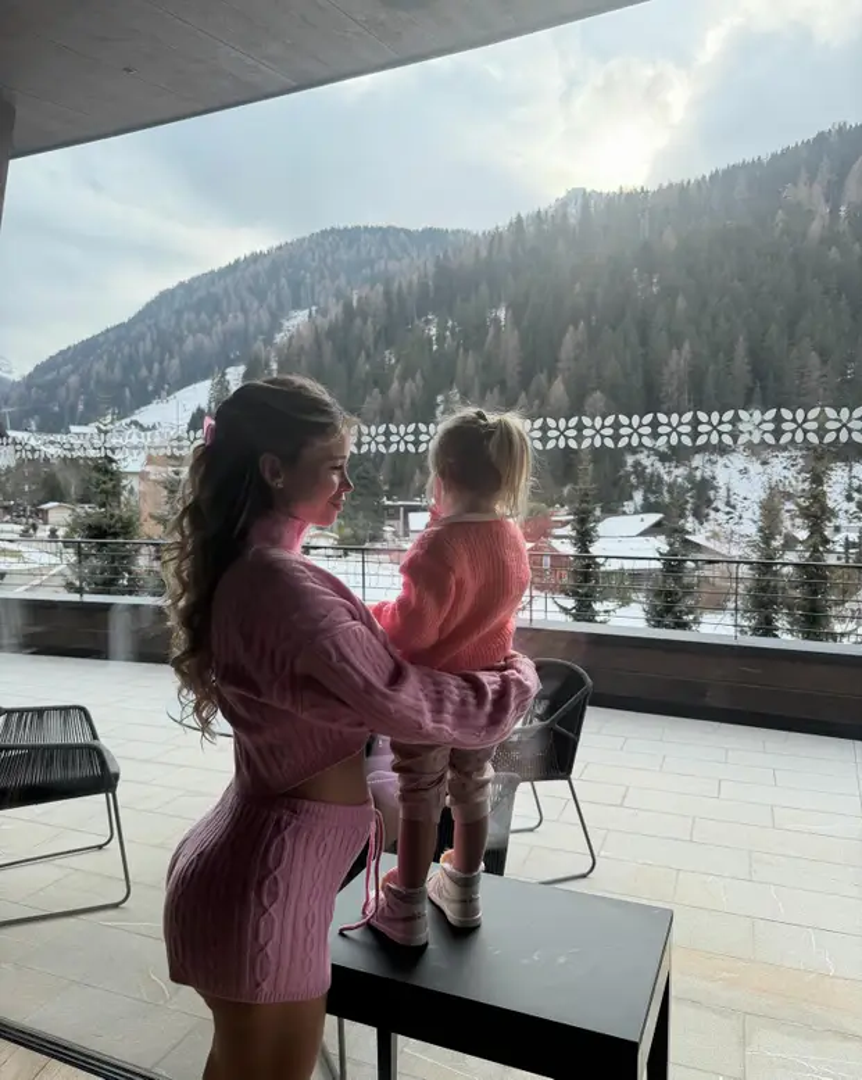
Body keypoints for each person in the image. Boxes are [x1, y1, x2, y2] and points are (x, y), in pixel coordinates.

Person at [160, 376, 538, 1080]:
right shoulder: (280, 586)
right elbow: (403, 700)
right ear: (274, 470)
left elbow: (349, 683)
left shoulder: (264, 569)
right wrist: (516, 681)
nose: (348, 484)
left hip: (268, 878)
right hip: (265, 892)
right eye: (334, 466)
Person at [344, 408, 532, 948]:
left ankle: (406, 903)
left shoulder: (438, 545)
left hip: (433, 698)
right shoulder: (510, 536)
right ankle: (464, 889)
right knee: (474, 785)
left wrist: (370, 615)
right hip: (486, 693)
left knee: (419, 792)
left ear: (443, 473)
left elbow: (412, 629)